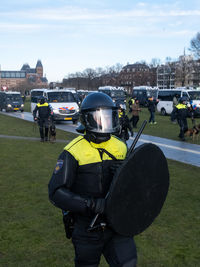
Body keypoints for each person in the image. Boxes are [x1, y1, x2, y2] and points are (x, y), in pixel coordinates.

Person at [48, 92, 137, 267]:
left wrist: (125, 175)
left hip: (117, 226)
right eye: (99, 117)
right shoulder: (73, 151)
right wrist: (91, 204)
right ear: (87, 120)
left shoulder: (121, 146)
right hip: (87, 228)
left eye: (109, 117)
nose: (105, 122)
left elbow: (136, 184)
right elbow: (56, 192)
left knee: (128, 264)